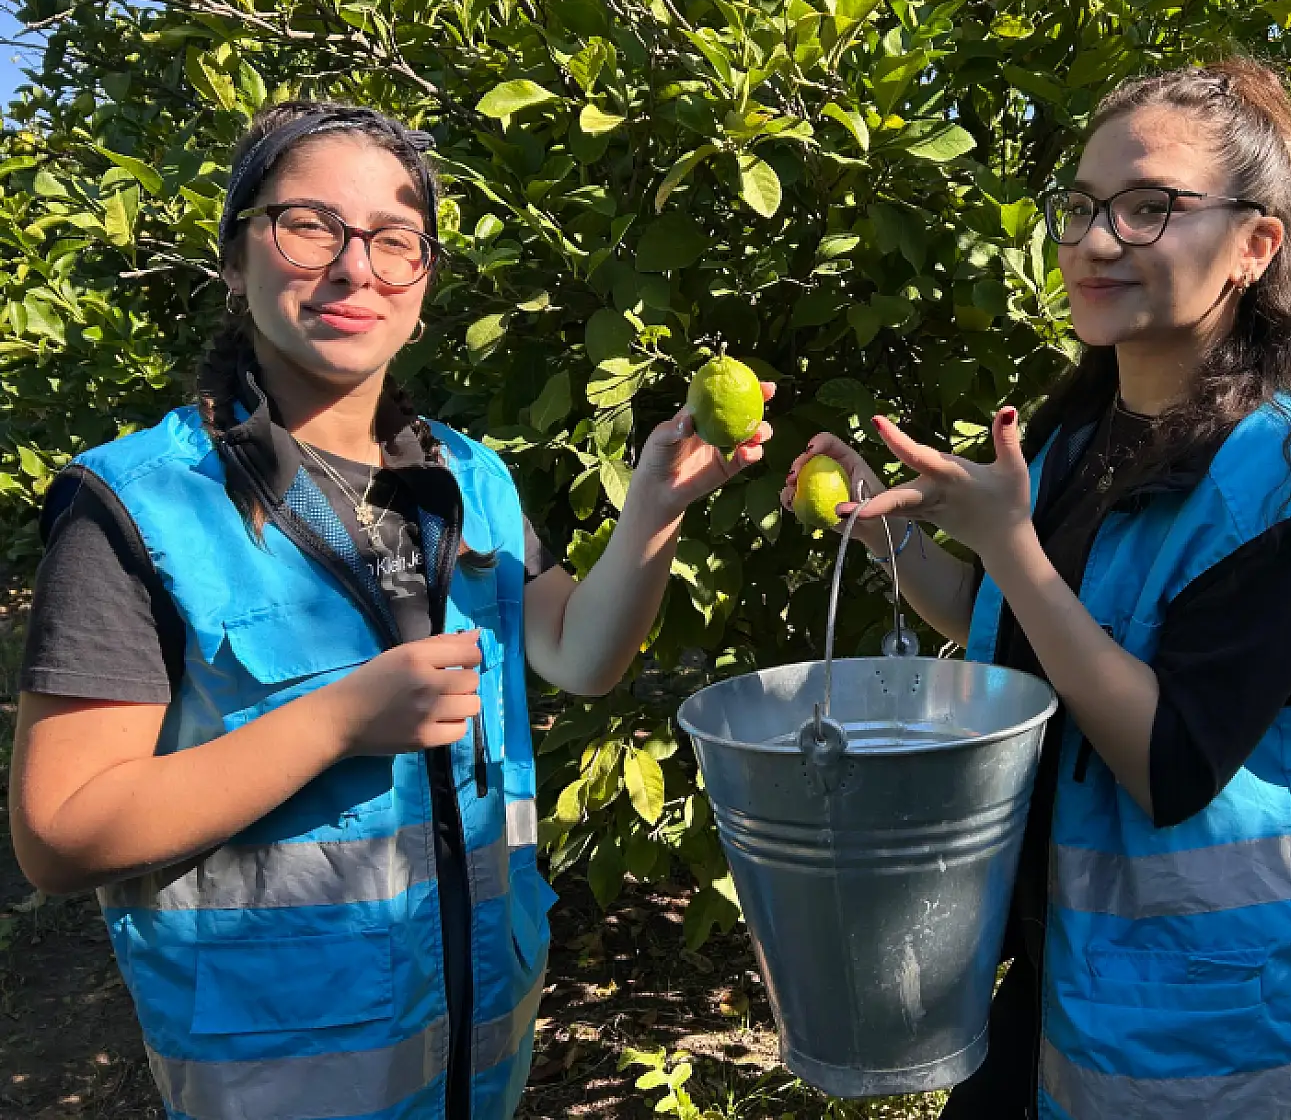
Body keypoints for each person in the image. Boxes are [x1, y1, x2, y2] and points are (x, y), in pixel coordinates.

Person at [8, 101, 773, 1120]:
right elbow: (60, 831)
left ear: (424, 279)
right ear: (237, 259)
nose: (353, 267)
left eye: (393, 239)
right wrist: (338, 719)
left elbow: (578, 653)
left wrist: (652, 508)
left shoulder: (471, 478)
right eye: (309, 225)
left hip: (474, 1052)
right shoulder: (140, 505)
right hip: (282, 1072)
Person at [784, 59, 1291, 1119]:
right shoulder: (1084, 433)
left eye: (1147, 207)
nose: (1093, 237)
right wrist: (891, 540)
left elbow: (1166, 759)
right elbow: (1020, 634)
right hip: (1064, 960)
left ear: (1256, 246)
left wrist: (1011, 545)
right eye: (1079, 206)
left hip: (1202, 1012)